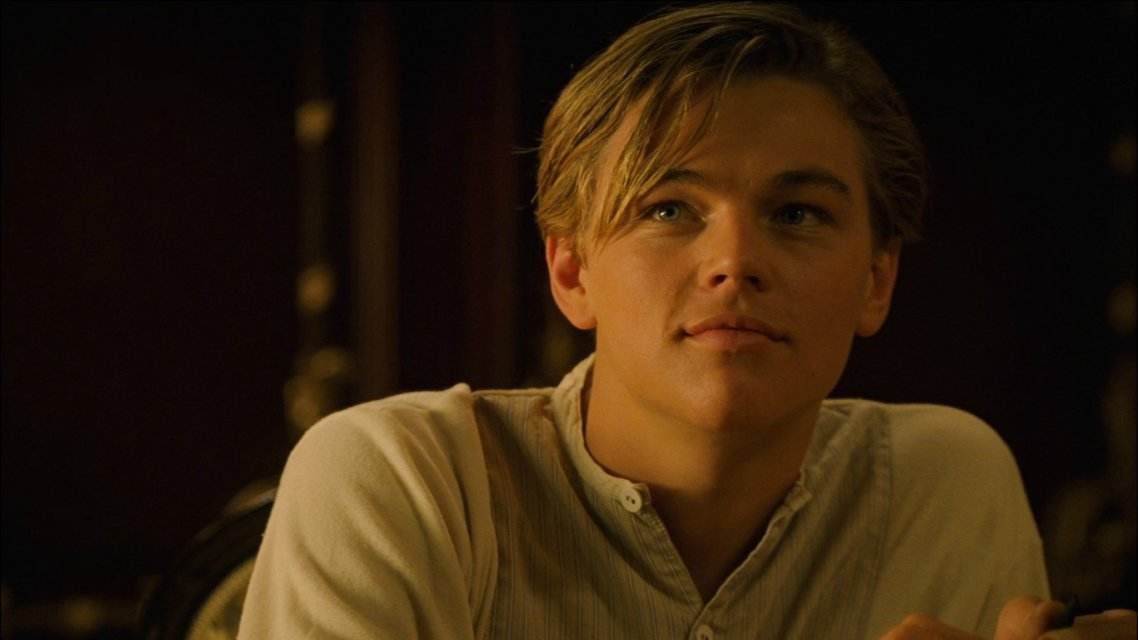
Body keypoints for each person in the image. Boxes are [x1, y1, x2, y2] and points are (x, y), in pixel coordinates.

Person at [238, 4, 1134, 639]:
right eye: (668, 209)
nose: (735, 261)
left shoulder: (947, 484)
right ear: (572, 270)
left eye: (797, 213)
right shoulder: (402, 483)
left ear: (877, 279)